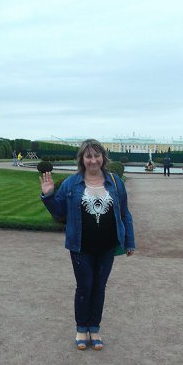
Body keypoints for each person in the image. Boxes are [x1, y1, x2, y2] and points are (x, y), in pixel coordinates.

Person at [40, 139, 135, 351]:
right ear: (82, 159)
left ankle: (95, 328)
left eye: (97, 155)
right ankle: (81, 329)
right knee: (85, 287)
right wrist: (48, 195)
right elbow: (59, 213)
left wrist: (129, 241)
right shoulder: (71, 183)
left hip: (107, 247)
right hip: (80, 247)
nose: (93, 160)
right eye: (88, 156)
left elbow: (124, 214)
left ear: (103, 157)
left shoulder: (115, 182)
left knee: (99, 288)